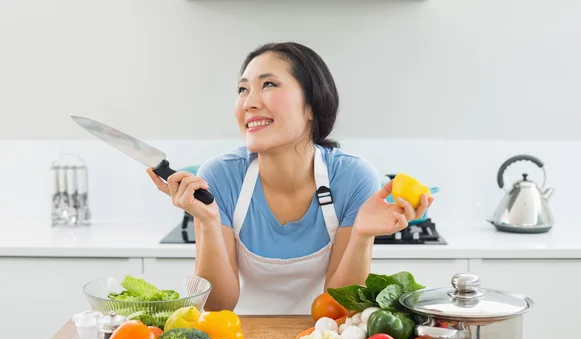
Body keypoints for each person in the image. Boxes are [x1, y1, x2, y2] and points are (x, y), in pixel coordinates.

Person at [147, 42, 432, 314]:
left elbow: (341, 308)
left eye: (268, 84)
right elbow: (217, 305)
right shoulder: (219, 176)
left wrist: (362, 235)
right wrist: (207, 221)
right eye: (242, 89)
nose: (249, 102)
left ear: (312, 106)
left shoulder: (353, 177)